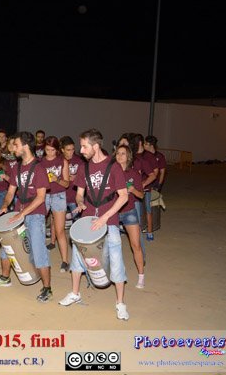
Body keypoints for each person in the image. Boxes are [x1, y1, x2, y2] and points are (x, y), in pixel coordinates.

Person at [59, 129, 130, 321]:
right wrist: (80, 202)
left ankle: (120, 303)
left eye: (84, 146)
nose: (81, 150)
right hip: (87, 220)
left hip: (110, 220)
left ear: (95, 146)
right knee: (77, 256)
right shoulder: (84, 167)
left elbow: (124, 196)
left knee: (116, 259)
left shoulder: (114, 166)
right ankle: (75, 293)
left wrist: (104, 218)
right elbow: (79, 193)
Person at [0, 132, 52, 302]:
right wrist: (5, 205)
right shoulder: (16, 168)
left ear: (25, 146)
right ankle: (5, 278)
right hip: (19, 211)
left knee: (38, 250)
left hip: (35, 214)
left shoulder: (39, 168)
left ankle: (47, 288)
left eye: (16, 145)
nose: (13, 148)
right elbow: (11, 192)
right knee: (6, 246)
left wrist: (22, 214)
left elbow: (41, 198)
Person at [114, 145, 145, 288]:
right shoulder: (111, 172)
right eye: (118, 153)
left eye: (123, 153)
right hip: (113, 213)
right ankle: (116, 272)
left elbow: (141, 195)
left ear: (128, 157)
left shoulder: (133, 174)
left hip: (129, 212)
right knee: (112, 245)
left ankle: (141, 276)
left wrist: (132, 190)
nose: (120, 156)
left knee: (136, 245)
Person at [40, 136, 70, 272]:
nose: (50, 153)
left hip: (59, 195)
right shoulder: (40, 162)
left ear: (57, 150)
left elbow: (66, 183)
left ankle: (65, 260)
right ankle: (38, 257)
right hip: (44, 195)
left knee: (60, 230)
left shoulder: (62, 161)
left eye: (53, 150)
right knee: (39, 226)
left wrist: (56, 179)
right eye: (47, 150)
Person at [130, 134, 158, 241]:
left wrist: (144, 184)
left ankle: (150, 232)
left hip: (146, 188)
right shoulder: (132, 155)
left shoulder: (148, 156)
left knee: (147, 209)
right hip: (134, 188)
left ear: (139, 143)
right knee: (136, 210)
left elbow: (155, 172)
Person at [60, 136, 84, 217]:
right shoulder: (58, 160)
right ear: (62, 150)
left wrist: (76, 177)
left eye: (73, 149)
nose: (71, 152)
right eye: (68, 150)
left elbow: (85, 177)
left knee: (77, 221)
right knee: (58, 222)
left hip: (75, 197)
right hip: (60, 197)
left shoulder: (79, 160)